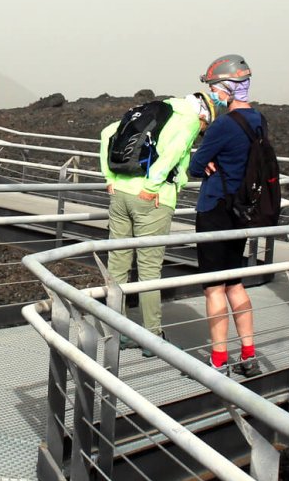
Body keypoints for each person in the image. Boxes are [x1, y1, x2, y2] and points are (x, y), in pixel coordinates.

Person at [99, 92, 216, 355]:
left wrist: (109, 176)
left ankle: (116, 332)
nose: (201, 132)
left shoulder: (154, 110)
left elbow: (107, 133)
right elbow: (173, 154)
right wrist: (153, 185)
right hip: (152, 199)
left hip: (120, 192)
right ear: (203, 114)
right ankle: (152, 337)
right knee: (149, 270)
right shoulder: (189, 121)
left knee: (117, 264)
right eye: (205, 126)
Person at [186, 54, 265, 377]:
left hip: (215, 209)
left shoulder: (222, 125)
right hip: (242, 211)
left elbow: (193, 166)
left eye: (216, 87)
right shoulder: (259, 120)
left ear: (228, 88)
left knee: (214, 287)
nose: (214, 93)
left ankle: (218, 359)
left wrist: (205, 162)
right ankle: (249, 354)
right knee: (235, 282)